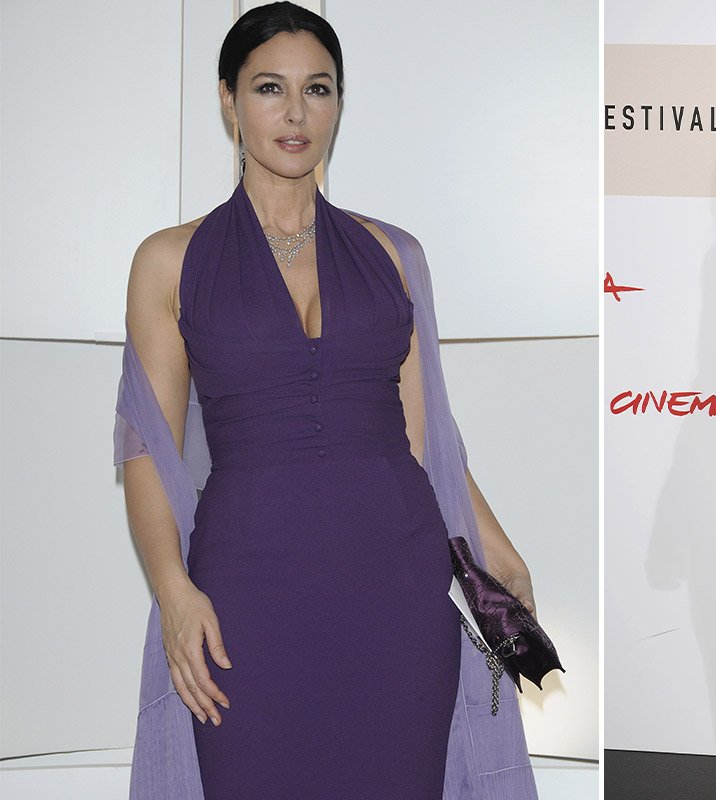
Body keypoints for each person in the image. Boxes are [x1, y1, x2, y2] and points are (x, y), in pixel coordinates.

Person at [116, 3, 538, 797]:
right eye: (269, 88)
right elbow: (146, 448)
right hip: (245, 589)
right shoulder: (169, 261)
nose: (296, 113)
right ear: (228, 100)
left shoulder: (394, 254)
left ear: (339, 102)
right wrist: (173, 592)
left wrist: (495, 546)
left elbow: (428, 438)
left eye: (318, 89)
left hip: (398, 584)